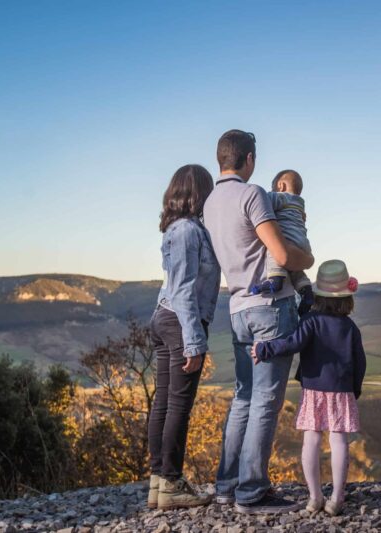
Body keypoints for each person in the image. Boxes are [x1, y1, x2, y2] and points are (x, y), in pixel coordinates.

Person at [203, 130, 315, 514]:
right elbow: (282, 253)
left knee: (243, 399)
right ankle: (252, 492)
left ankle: (226, 486)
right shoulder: (252, 195)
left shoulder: (210, 202)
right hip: (269, 307)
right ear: (248, 159)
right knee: (266, 400)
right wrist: (308, 262)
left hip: (236, 308)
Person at [251, 259, 366, 516]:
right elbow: (361, 363)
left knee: (311, 441)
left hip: (314, 390)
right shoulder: (351, 327)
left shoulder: (311, 321)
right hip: (342, 390)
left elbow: (291, 344)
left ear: (319, 295)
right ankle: (337, 498)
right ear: (346, 298)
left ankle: (314, 497)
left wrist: (264, 348)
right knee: (339, 441)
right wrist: (353, 390)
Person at [147, 164, 220, 510]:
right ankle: (171, 482)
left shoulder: (178, 229)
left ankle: (159, 483)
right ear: (199, 194)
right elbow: (184, 289)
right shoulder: (189, 231)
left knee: (163, 403)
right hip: (180, 321)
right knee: (177, 405)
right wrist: (193, 340)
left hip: (165, 317)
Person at [250, 170, 314, 317]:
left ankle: (275, 280)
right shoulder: (299, 203)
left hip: (288, 237)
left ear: (280, 186)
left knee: (273, 249)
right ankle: (305, 289)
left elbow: (260, 201)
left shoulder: (280, 197)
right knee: (295, 270)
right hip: (303, 242)